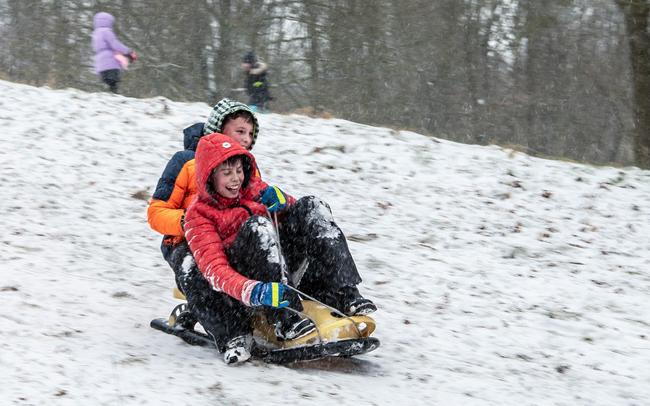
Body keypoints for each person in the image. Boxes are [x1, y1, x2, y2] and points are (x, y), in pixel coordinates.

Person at [183, 132, 377, 364]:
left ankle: (345, 293)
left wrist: (284, 201)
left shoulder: (253, 187)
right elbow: (214, 270)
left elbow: (298, 217)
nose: (235, 179)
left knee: (313, 206)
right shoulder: (198, 214)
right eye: (226, 173)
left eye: (238, 170)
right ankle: (284, 318)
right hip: (250, 282)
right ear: (209, 177)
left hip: (283, 266)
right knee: (259, 227)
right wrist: (253, 291)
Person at [148, 98, 264, 299]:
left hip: (229, 237)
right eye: (240, 131)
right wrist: (191, 222)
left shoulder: (246, 168)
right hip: (185, 241)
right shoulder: (185, 162)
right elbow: (156, 212)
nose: (246, 139)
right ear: (218, 129)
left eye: (250, 134)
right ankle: (222, 319)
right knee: (196, 270)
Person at [91, 12, 137, 93]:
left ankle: (108, 96)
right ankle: (114, 95)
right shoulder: (106, 31)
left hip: (100, 62)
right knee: (113, 83)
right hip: (110, 61)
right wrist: (128, 51)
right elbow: (115, 44)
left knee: (106, 82)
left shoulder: (95, 33)